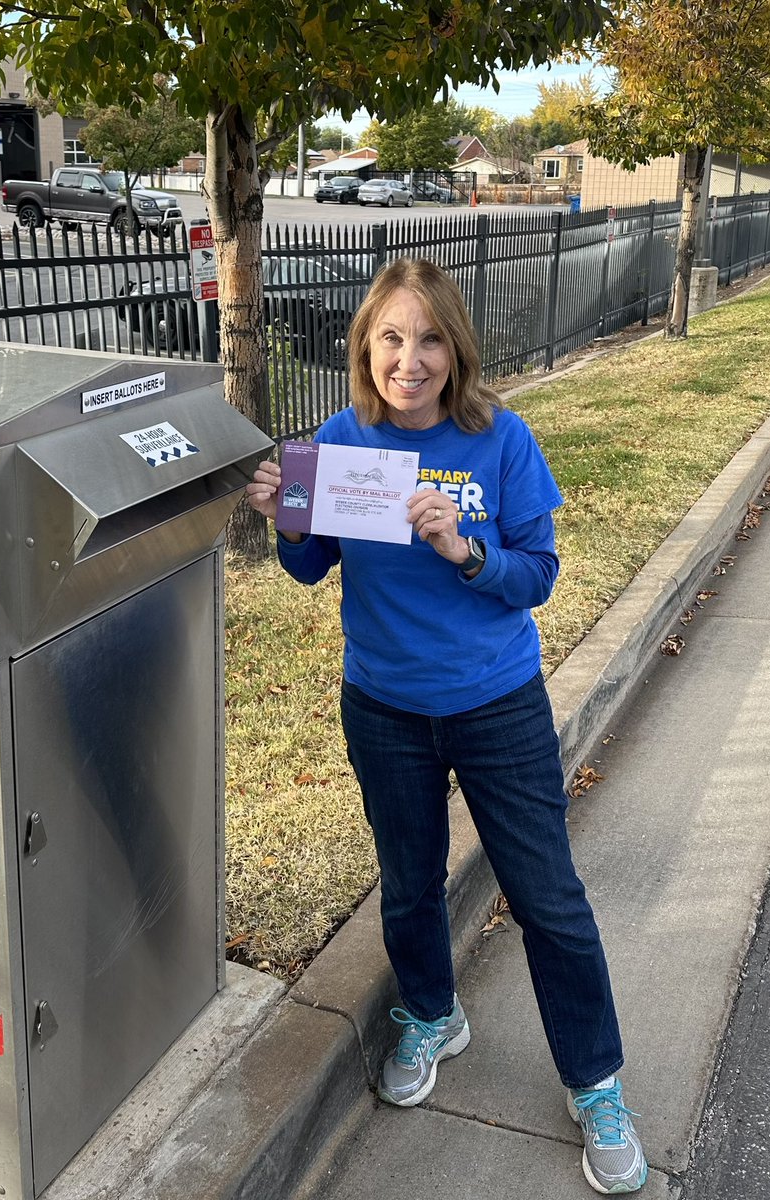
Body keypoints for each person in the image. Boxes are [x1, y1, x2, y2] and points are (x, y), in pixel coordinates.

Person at [245, 258, 646, 1195]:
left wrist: (466, 552)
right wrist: (283, 519)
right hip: (382, 706)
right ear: (365, 346)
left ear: (454, 348)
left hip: (494, 705)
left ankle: (595, 1082)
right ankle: (431, 1013)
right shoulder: (340, 441)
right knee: (408, 884)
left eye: (428, 338)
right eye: (390, 337)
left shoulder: (499, 441)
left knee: (546, 897)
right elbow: (309, 568)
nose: (409, 359)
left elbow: (537, 575)